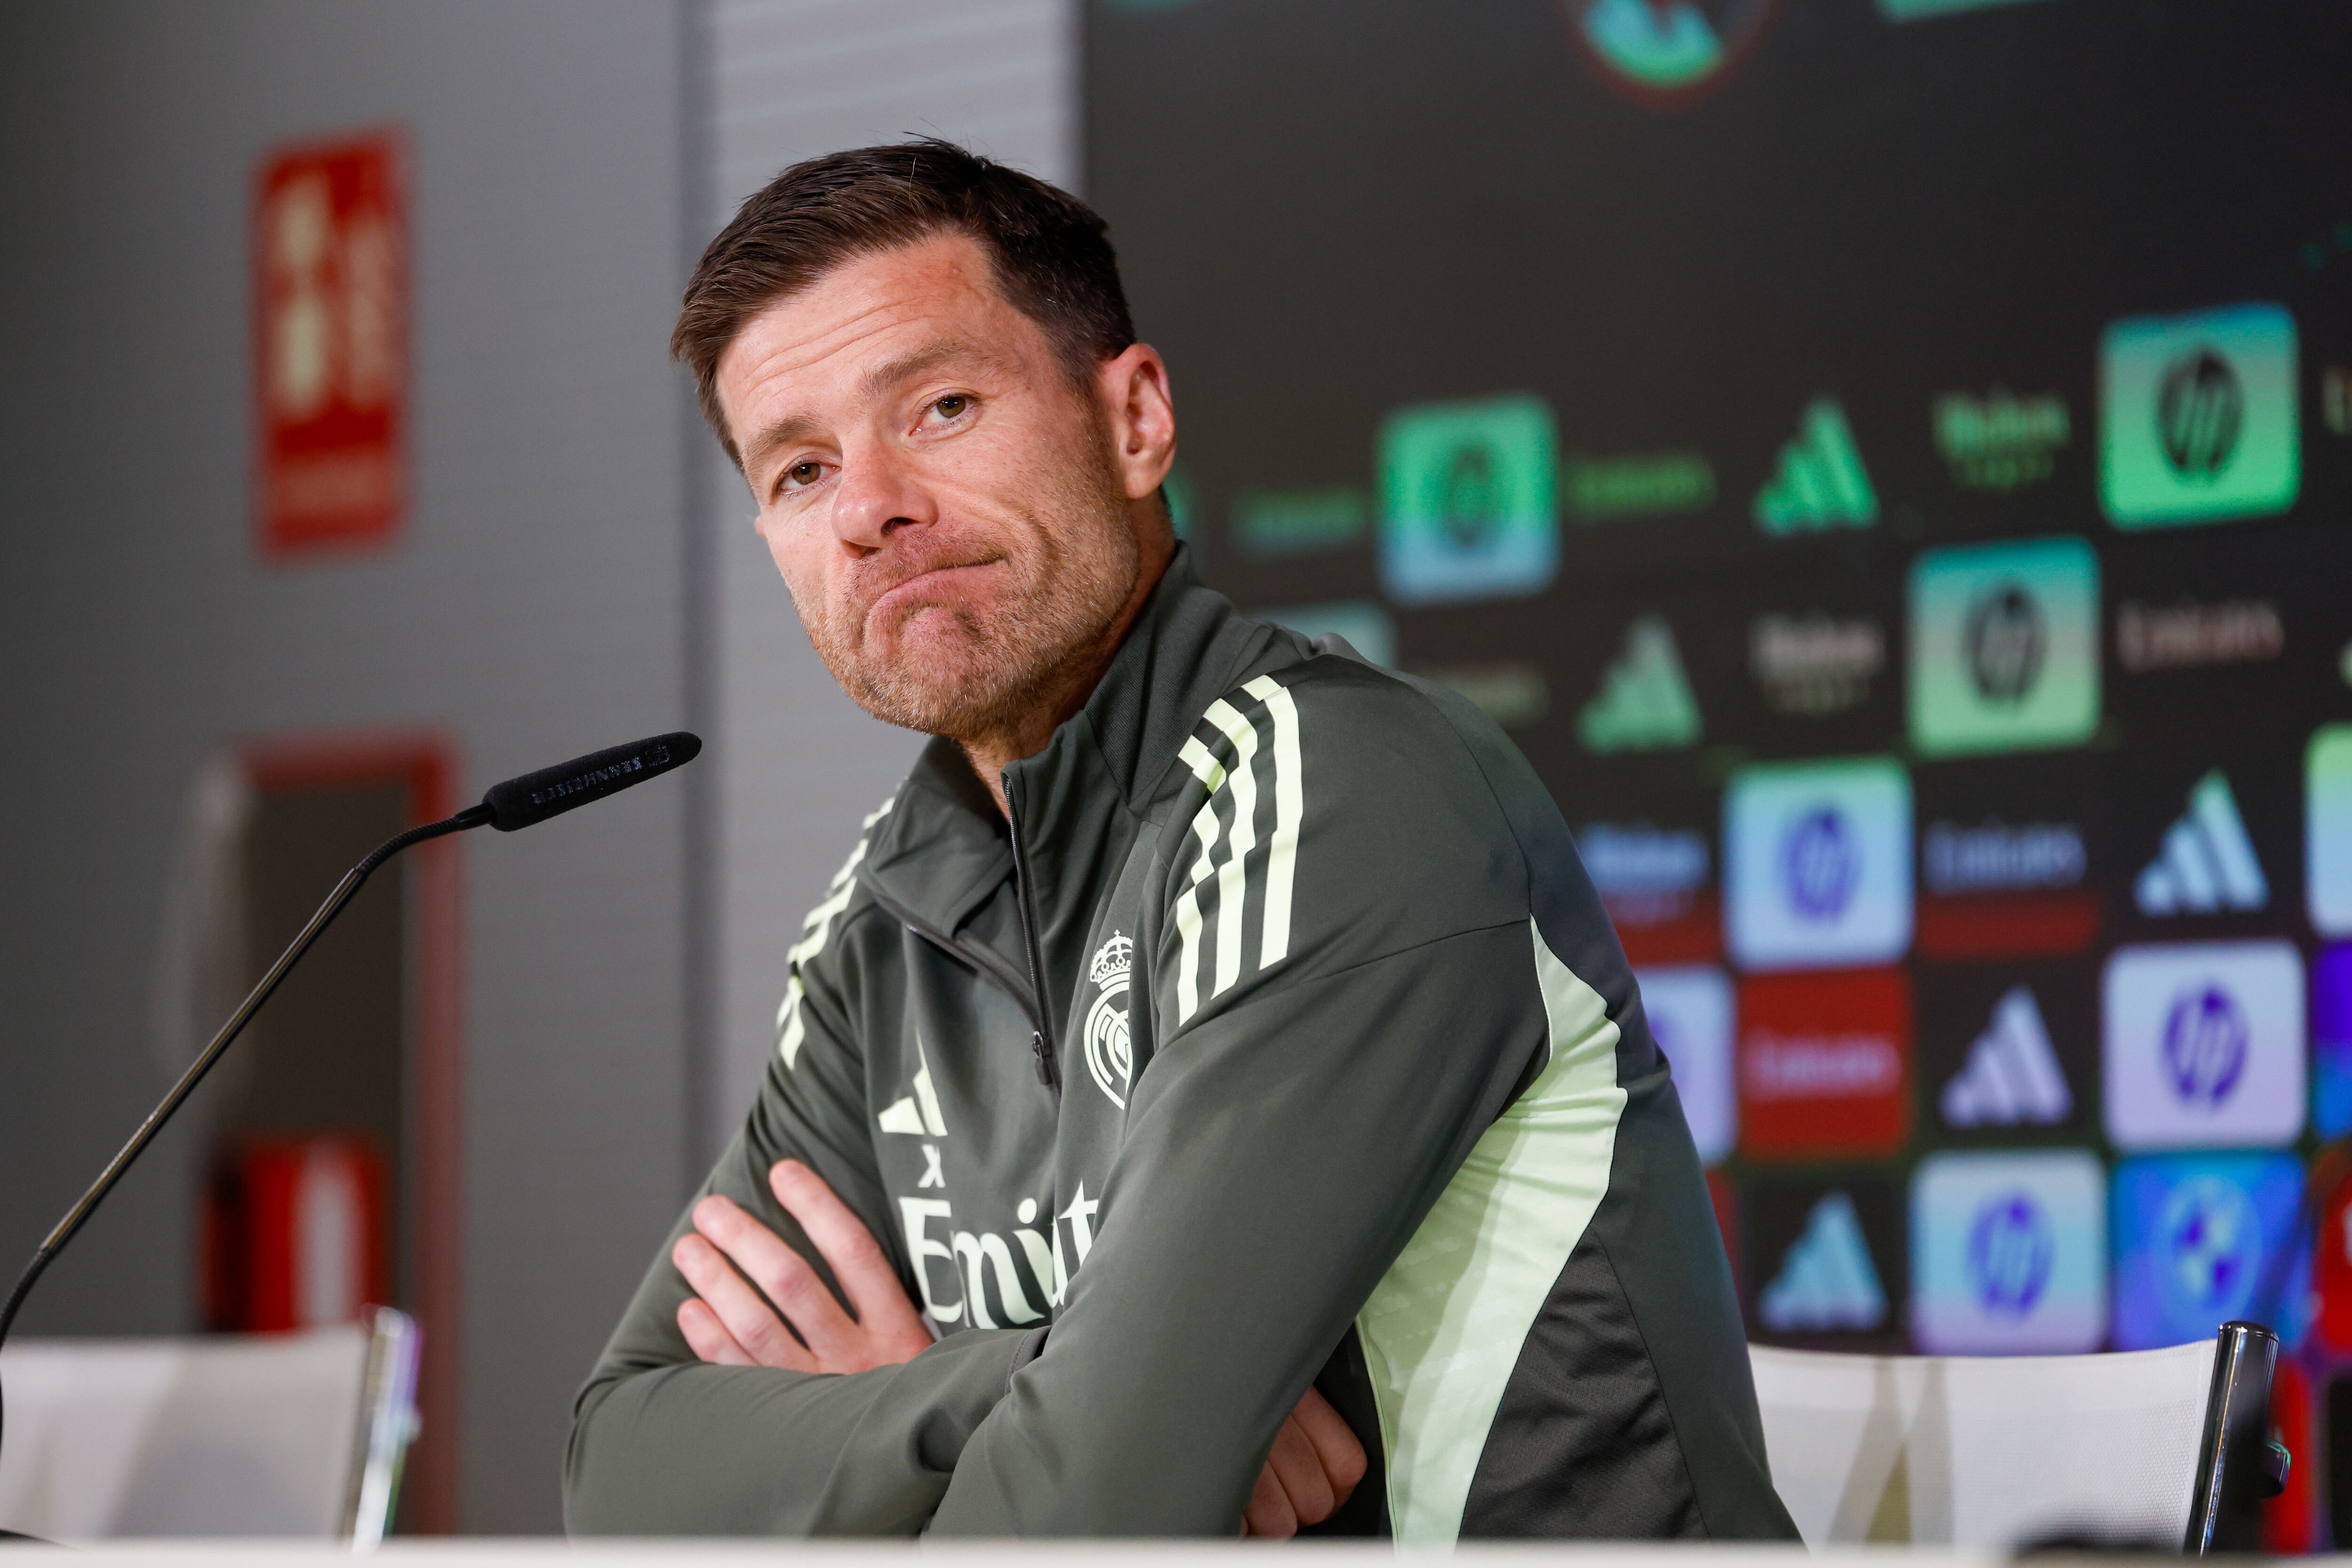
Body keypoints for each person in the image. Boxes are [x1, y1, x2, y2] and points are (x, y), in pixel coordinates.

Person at [564, 138, 1795, 1542]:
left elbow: (1087, 1514)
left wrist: (962, 1434)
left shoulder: (1341, 792)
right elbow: (622, 1474)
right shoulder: (881, 920)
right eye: (798, 472)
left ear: (1137, 420)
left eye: (944, 406)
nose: (868, 509)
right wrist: (1002, 1389)